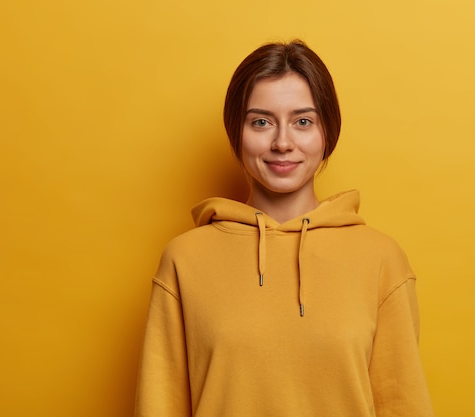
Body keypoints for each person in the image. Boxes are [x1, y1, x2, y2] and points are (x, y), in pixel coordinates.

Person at [134, 40, 434, 417]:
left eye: (303, 121)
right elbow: (160, 406)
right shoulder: (184, 260)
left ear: (327, 133)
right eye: (261, 122)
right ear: (236, 132)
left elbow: (401, 404)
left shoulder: (381, 260)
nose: (282, 142)